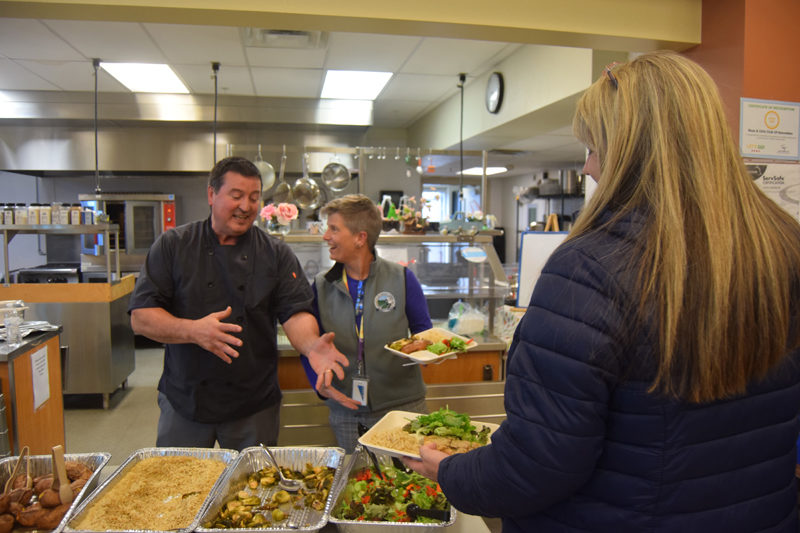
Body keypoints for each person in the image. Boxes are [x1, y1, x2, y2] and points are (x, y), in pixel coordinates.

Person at [404, 51, 800, 531]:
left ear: (632, 151)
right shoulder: (781, 243)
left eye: (595, 148)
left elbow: (537, 466)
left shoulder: (591, 269)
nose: (589, 167)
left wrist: (452, 472)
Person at [129, 156, 350, 451]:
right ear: (211, 194)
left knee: (254, 491)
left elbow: (295, 311)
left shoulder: (275, 253)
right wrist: (193, 330)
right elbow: (141, 317)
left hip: (254, 404)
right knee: (182, 491)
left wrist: (311, 346)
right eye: (236, 196)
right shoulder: (173, 244)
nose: (246, 206)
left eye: (254, 198)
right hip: (186, 400)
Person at [301, 194, 432, 452]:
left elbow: (425, 334)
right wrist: (321, 388)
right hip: (347, 410)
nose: (326, 236)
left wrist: (426, 349)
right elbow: (310, 348)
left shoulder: (402, 279)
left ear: (360, 238)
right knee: (358, 482)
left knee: (410, 484)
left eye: (334, 229)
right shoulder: (319, 286)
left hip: (403, 406)